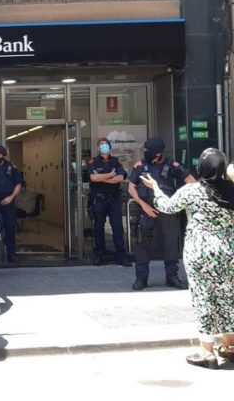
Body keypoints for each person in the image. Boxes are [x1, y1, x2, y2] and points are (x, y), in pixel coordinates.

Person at [140, 148, 234, 369]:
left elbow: (167, 207)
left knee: (204, 298)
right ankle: (230, 346)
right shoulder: (231, 191)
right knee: (228, 296)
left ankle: (207, 352)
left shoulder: (192, 191)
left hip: (200, 252)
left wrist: (155, 188)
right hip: (229, 252)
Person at [127, 137, 195, 291]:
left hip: (168, 211)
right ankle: (141, 279)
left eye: (147, 151)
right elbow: (131, 188)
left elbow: (191, 182)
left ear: (157, 153)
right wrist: (143, 205)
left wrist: (180, 200)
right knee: (142, 244)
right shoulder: (140, 166)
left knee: (170, 243)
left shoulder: (172, 166)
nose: (145, 153)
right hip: (146, 210)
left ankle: (172, 277)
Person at [87, 138, 131, 267]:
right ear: (98, 147)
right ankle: (99, 255)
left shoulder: (116, 161)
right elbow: (93, 178)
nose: (104, 146)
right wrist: (110, 174)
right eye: (101, 145)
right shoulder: (93, 162)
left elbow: (120, 178)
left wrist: (102, 178)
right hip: (99, 199)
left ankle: (121, 256)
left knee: (117, 228)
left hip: (114, 199)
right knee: (98, 228)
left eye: (106, 144)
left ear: (110, 147)